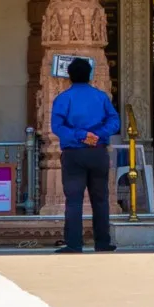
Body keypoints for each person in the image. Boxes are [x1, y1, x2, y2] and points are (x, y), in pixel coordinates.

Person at [48, 56, 120, 254]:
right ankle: (103, 242)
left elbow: (57, 127)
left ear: (69, 76)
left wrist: (80, 135)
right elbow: (114, 122)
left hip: (74, 154)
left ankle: (74, 244)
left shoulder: (63, 98)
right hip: (98, 153)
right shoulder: (101, 97)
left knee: (74, 200)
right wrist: (98, 135)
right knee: (100, 198)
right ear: (89, 75)